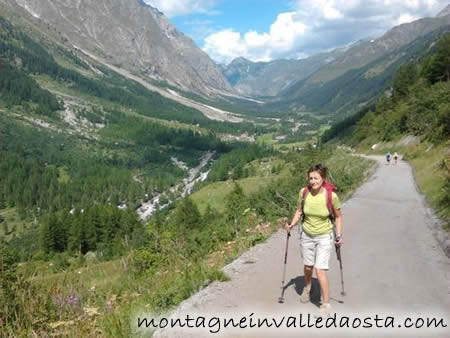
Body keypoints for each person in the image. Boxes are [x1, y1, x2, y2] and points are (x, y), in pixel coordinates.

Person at [286, 164, 343, 317]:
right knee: (308, 267)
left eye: (316, 178)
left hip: (324, 236)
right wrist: (292, 224)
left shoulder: (331, 196)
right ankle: (308, 287)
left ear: (323, 179)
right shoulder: (304, 193)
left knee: (320, 269)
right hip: (307, 235)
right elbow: (299, 210)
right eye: (310, 178)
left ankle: (326, 304)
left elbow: (338, 217)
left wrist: (338, 235)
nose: (313, 181)